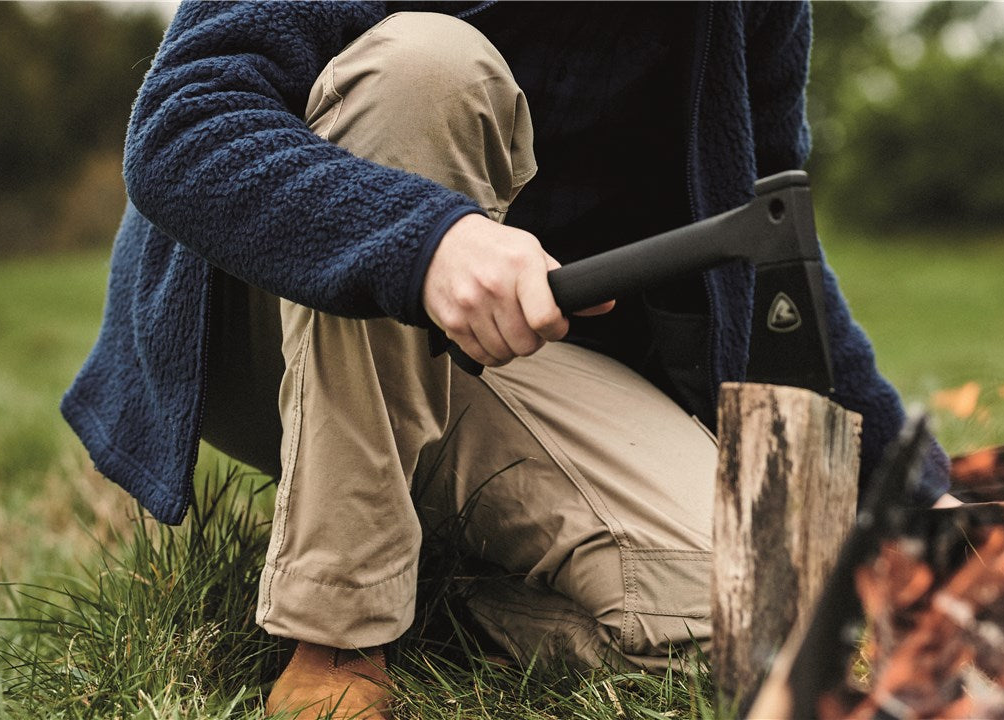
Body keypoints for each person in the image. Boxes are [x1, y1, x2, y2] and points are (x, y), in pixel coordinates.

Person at [62, 2, 952, 717]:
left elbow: (764, 237)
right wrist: (426, 240)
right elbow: (185, 122)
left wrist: (915, 498)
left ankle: (448, 588)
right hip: (285, 325)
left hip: (525, 351)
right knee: (427, 72)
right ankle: (337, 635)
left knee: (766, 614)